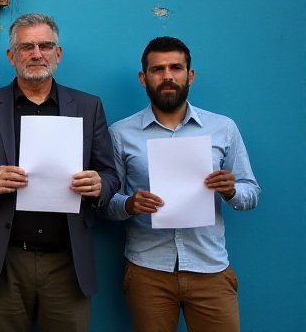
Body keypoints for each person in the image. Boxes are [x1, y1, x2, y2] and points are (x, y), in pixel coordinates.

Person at [0, 13, 119, 332]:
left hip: (68, 262)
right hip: (3, 261)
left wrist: (100, 185)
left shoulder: (88, 106)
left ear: (58, 53)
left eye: (45, 45)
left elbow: (111, 176)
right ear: (11, 56)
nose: (36, 53)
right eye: (26, 46)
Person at [104, 36, 259, 332]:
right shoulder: (121, 133)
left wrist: (231, 191)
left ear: (190, 75)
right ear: (143, 78)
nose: (167, 76)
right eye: (157, 69)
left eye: (175, 68)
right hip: (148, 270)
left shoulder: (223, 128)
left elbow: (251, 191)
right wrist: (129, 204)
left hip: (210, 267)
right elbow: (104, 203)